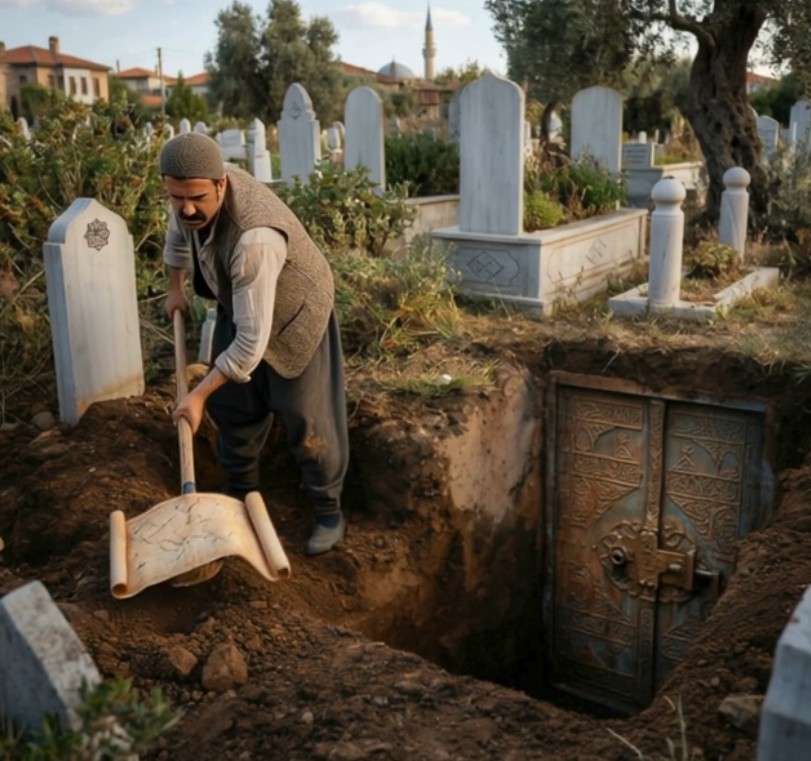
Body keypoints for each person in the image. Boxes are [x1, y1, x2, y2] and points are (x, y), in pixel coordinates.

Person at [159, 131, 349, 557]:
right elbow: (176, 240)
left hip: (295, 320)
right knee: (233, 407)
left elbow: (249, 343)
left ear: (220, 185)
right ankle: (241, 498)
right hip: (243, 308)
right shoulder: (187, 196)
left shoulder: (254, 239)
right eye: (177, 197)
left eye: (196, 199)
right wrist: (175, 289)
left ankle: (327, 511)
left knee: (308, 424)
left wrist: (197, 394)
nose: (186, 208)